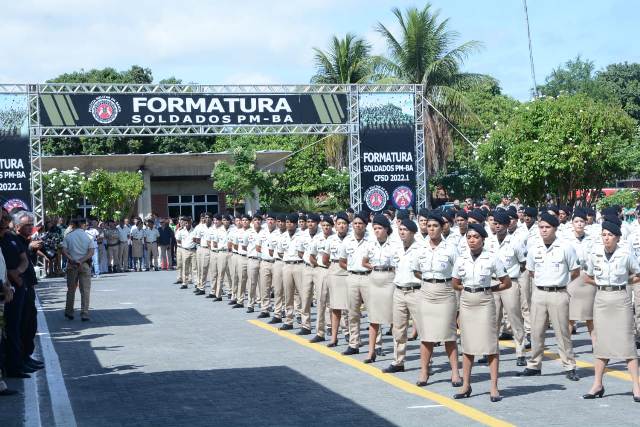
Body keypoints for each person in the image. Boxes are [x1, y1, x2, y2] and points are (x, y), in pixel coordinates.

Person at [452, 223, 512, 402]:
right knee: (468, 345)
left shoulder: (492, 258)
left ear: (483, 239)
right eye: (469, 237)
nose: (472, 240)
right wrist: (468, 288)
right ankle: (466, 385)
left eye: (476, 237)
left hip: (485, 301)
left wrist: (489, 290)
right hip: (467, 302)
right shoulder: (461, 258)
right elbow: (454, 283)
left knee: (490, 346)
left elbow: (506, 282)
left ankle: (493, 386)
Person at [517, 212, 581, 381]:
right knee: (536, 332)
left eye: (547, 227)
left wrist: (562, 282)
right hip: (539, 293)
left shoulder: (565, 247)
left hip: (558, 293)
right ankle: (534, 365)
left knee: (562, 332)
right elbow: (531, 271)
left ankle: (569, 365)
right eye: (541, 227)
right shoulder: (534, 248)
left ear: (555, 228)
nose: (544, 230)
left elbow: (575, 271)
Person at [583, 219, 640, 401]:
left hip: (620, 298)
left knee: (627, 342)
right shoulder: (596, 253)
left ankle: (636, 386)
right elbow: (588, 277)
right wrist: (600, 283)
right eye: (604, 235)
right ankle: (597, 384)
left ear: (617, 238)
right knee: (601, 343)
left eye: (610, 235)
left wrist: (626, 282)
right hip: (601, 299)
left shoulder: (626, 254)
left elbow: (637, 274)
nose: (606, 238)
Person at [411, 212, 462, 387]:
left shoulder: (451, 248)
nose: (431, 229)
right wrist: (429, 279)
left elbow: (458, 270)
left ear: (442, 228)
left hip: (446, 291)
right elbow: (416, 270)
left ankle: (455, 372)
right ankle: (424, 371)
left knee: (449, 335)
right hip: (426, 291)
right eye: (429, 226)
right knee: (426, 335)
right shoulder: (420, 247)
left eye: (435, 226)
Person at [486, 210, 528, 366]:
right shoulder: (489, 242)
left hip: (510, 283)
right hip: (494, 283)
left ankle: (520, 352)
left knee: (515, 318)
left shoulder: (515, 242)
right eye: (494, 223)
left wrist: (514, 277)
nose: (496, 226)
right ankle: (490, 351)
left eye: (499, 224)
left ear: (506, 225)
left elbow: (523, 263)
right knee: (493, 319)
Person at [381, 219, 421, 374]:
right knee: (398, 328)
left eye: (405, 230)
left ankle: (427, 361)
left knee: (422, 328)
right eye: (400, 229)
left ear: (413, 232)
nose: (402, 232)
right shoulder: (396, 248)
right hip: (399, 291)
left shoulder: (421, 249)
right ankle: (398, 361)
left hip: (416, 290)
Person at [361, 215, 396, 363]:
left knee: (393, 317)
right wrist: (372, 266)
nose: (377, 231)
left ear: (386, 229)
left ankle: (397, 354)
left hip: (389, 278)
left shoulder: (394, 245)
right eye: (375, 228)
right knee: (374, 318)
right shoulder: (370, 244)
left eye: (380, 228)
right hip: (375, 278)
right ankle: (371, 351)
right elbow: (364, 262)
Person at [339, 212, 371, 354]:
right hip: (352, 277)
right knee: (353, 312)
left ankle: (377, 345)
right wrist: (352, 270)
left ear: (365, 225)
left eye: (360, 224)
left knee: (373, 312)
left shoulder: (372, 240)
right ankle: (354, 344)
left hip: (368, 278)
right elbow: (342, 261)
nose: (358, 226)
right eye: (355, 223)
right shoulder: (347, 241)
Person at [565, 209, 596, 340]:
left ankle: (596, 345)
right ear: (572, 223)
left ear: (586, 223)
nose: (579, 224)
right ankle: (566, 348)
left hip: (588, 277)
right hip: (572, 277)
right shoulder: (566, 239)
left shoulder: (593, 239)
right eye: (576, 221)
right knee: (570, 316)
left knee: (591, 316)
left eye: (582, 221)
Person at [321, 212, 350, 346]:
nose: (342, 226)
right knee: (335, 307)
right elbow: (325, 259)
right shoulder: (331, 240)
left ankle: (350, 334)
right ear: (336, 226)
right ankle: (334, 338)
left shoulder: (352, 239)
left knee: (350, 307)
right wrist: (333, 267)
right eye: (339, 224)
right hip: (334, 271)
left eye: (344, 223)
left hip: (349, 272)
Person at [61, 218, 94, 321]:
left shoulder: (69, 236)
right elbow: (91, 252)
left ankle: (69, 311)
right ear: (83, 225)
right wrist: (82, 260)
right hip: (84, 264)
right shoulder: (88, 236)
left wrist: (73, 259)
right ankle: (84, 313)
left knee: (71, 289)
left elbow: (64, 251)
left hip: (72, 264)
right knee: (85, 290)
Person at [308, 215, 334, 343]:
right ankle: (320, 332)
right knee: (321, 302)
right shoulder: (317, 239)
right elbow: (311, 256)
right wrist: (318, 266)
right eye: (323, 226)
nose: (326, 228)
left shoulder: (336, 238)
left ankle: (340, 330)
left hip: (335, 271)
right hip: (322, 271)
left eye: (328, 225)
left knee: (337, 302)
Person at [277, 213, 304, 331]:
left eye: (291, 222)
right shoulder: (283, 236)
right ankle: (288, 320)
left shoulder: (302, 235)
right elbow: (280, 252)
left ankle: (303, 320)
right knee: (288, 294)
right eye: (287, 222)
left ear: (296, 224)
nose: (289, 224)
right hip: (287, 265)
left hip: (299, 265)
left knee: (302, 294)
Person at [297, 213, 321, 334]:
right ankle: (305, 325)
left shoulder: (323, 235)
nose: (310, 224)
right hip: (307, 268)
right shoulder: (303, 235)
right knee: (305, 297)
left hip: (319, 268)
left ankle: (325, 326)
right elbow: (300, 252)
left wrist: (317, 263)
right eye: (308, 222)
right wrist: (307, 259)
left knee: (322, 297)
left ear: (317, 223)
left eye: (313, 222)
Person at [245, 214, 263, 313]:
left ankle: (262, 303)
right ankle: (250, 304)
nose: (257, 222)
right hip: (252, 259)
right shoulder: (248, 232)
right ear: (252, 221)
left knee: (263, 283)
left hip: (263, 260)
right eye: (255, 220)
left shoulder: (265, 232)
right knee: (252, 283)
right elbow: (244, 246)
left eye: (259, 220)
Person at [175, 217, 196, 289]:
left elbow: (197, 240)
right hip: (185, 250)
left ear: (190, 223)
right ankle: (184, 283)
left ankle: (196, 283)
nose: (187, 224)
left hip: (193, 250)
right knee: (185, 267)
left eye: (188, 222)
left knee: (194, 267)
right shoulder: (181, 231)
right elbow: (178, 240)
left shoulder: (195, 230)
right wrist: (185, 245)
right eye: (185, 223)